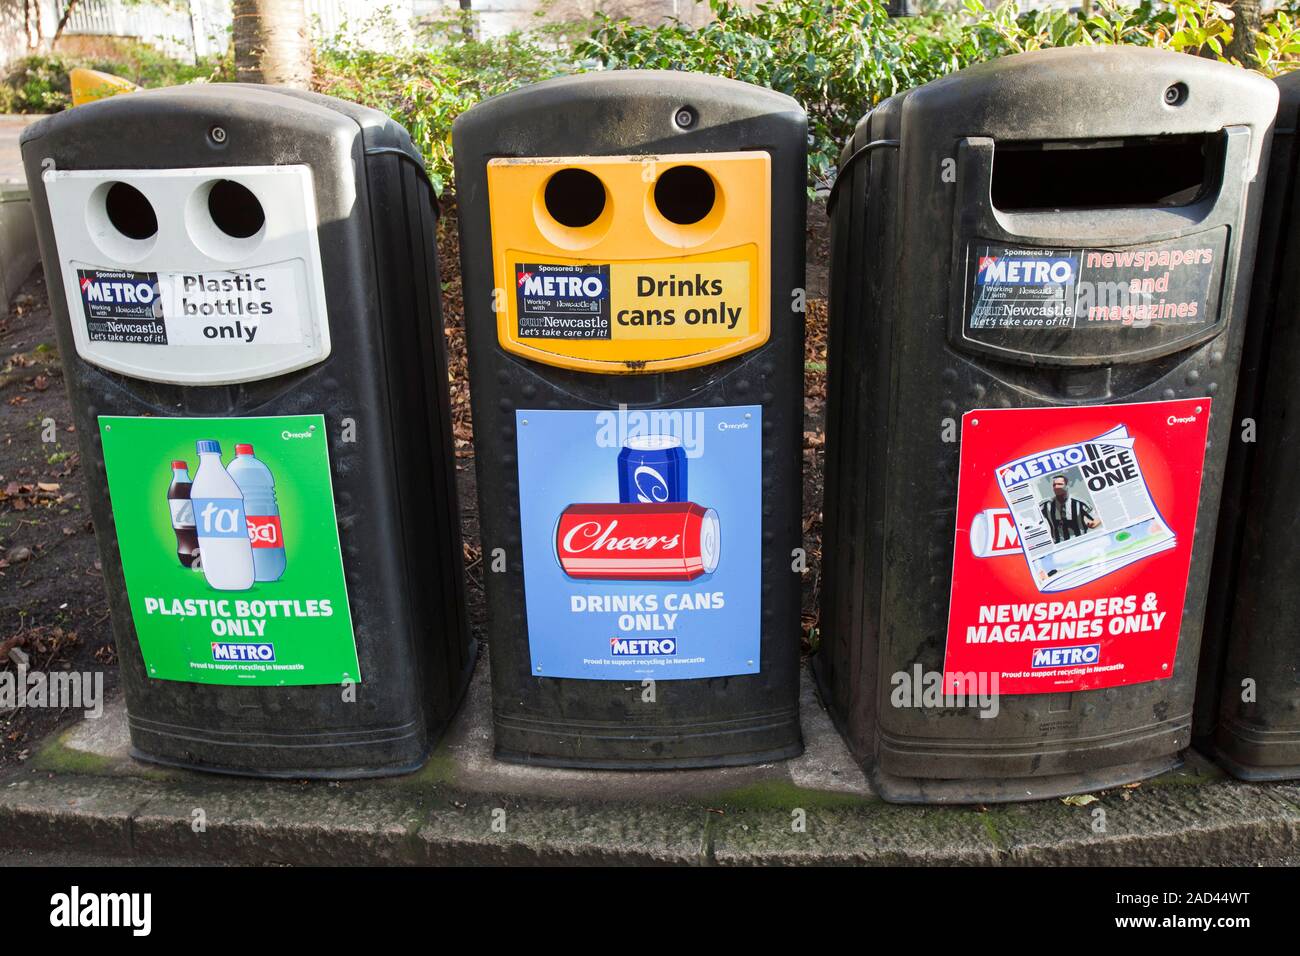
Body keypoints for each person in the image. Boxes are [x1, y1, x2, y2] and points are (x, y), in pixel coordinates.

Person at [1040, 474, 1100, 543]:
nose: (1056, 487)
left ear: (1067, 486)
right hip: (1059, 543)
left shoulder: (1079, 502)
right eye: (1054, 485)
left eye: (1060, 484)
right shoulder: (1045, 504)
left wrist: (1094, 523)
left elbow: (1097, 518)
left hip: (1081, 540)